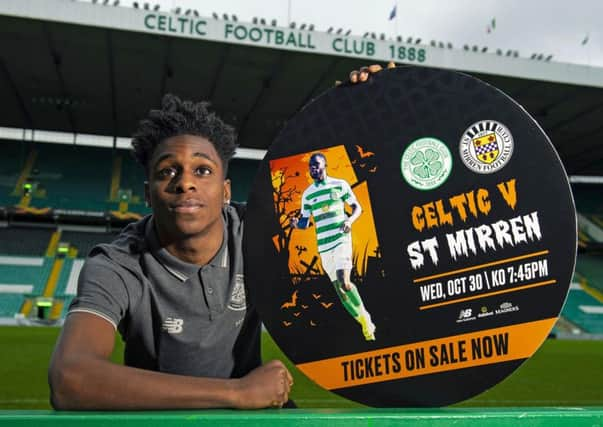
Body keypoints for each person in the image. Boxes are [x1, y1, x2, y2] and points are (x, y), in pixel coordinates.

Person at [48, 94, 293, 410]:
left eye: (203, 170)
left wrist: (365, 95)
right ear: (148, 194)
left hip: (252, 417)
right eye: (167, 171)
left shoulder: (257, 229)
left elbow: (347, 202)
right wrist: (236, 393)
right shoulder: (118, 264)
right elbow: (69, 380)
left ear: (227, 191)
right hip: (164, 417)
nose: (185, 182)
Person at [290, 153, 376, 341]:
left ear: (325, 166)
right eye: (310, 166)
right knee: (339, 291)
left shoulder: (340, 185)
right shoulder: (308, 194)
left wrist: (349, 221)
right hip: (324, 246)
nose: (312, 169)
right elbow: (305, 223)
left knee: (344, 281)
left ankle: (366, 318)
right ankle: (363, 321)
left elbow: (357, 208)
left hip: (341, 239)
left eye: (316, 165)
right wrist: (296, 223)